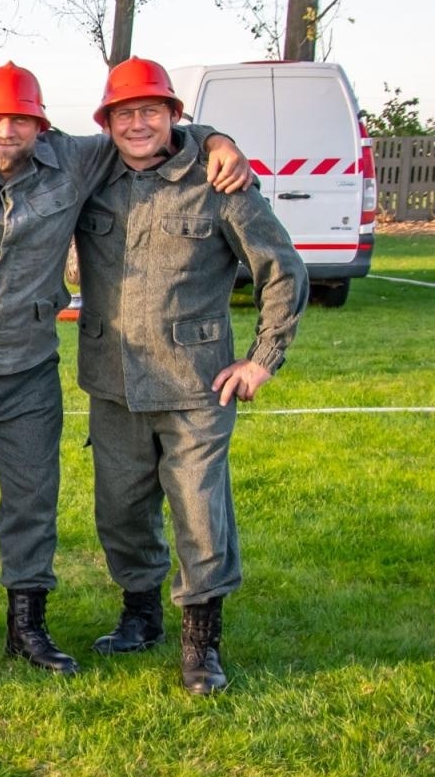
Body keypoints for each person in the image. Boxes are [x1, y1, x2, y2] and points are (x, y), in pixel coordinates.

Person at [0, 64, 250, 676]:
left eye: (22, 119)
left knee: (32, 501)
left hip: (28, 367)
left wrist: (218, 139)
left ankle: (28, 625)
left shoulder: (77, 159)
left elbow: (157, 133)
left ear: (43, 124)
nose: (7, 131)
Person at [77, 57, 307, 694]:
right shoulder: (92, 176)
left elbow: (282, 270)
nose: (138, 123)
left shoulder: (218, 182)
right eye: (125, 114)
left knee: (201, 512)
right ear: (108, 123)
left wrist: (262, 359)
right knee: (119, 512)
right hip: (113, 381)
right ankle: (139, 614)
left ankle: (201, 640)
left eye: (151, 110)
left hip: (195, 384)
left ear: (174, 116)